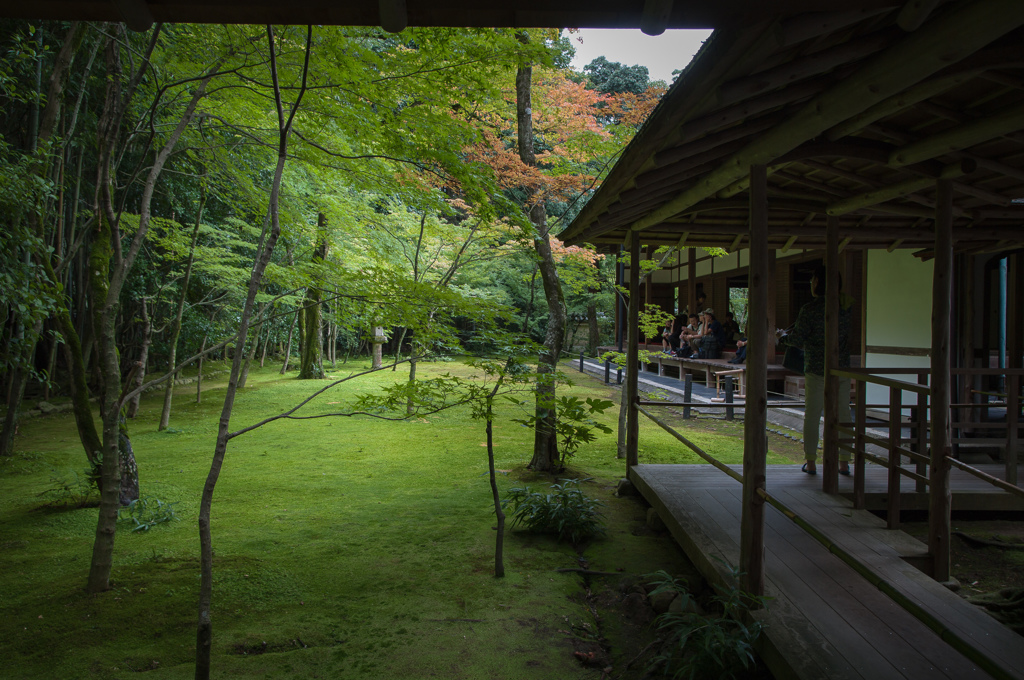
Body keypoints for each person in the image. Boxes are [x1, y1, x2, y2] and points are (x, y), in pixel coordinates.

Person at [788, 265, 855, 476]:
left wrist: (782, 337)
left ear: (817, 282)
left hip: (816, 367)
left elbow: (797, 339)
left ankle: (811, 462)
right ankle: (843, 462)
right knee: (843, 413)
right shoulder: (846, 307)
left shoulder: (810, 310)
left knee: (813, 414)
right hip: (841, 368)